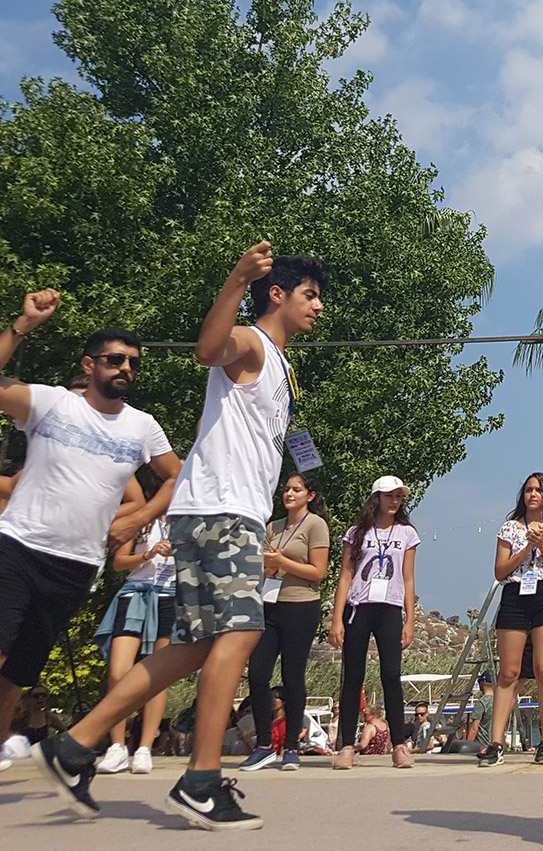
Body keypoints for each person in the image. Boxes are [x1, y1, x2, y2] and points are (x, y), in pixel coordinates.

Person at [41, 245, 326, 830]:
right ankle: (199, 779)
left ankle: (75, 745)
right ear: (279, 294)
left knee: (197, 647)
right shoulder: (250, 341)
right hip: (224, 514)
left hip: (210, 512)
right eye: (310, 295)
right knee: (244, 632)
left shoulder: (278, 363)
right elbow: (207, 350)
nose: (318, 307)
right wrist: (236, 279)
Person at [0, 294, 182, 775]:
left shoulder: (142, 427)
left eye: (133, 363)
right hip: (18, 544)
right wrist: (22, 326)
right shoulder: (49, 403)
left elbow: (178, 476)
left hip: (77, 564)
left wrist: (139, 519)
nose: (125, 368)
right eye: (115, 359)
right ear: (89, 364)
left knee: (22, 664)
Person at [330, 476, 420, 769]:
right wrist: (336, 619)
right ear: (376, 499)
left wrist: (410, 619)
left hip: (390, 608)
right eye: (389, 496)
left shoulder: (406, 533)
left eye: (398, 497)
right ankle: (345, 746)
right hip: (359, 607)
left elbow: (408, 577)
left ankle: (398, 745)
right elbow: (345, 574)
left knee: (391, 675)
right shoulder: (358, 532)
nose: (395, 501)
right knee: (353, 677)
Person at [242, 473, 330, 772]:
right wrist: (270, 564)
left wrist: (283, 563)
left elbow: (318, 572)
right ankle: (264, 744)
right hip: (268, 605)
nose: (289, 494)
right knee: (257, 674)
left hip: (301, 606)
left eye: (297, 489)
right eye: (287, 489)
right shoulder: (273, 527)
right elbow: (264, 565)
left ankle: (291, 745)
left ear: (310, 495)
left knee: (293, 677)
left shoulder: (316, 525)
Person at [486, 471, 543, 767]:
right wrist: (527, 548)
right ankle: (495, 742)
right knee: (509, 672)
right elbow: (500, 570)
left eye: (538, 490)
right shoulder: (510, 528)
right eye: (528, 489)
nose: (533, 494)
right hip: (515, 594)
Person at [92, 502, 176, 776]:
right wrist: (148, 554)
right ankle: (117, 746)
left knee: (158, 675)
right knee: (119, 671)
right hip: (135, 595)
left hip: (170, 596)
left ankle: (144, 748)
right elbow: (118, 562)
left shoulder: (190, 518)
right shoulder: (141, 517)